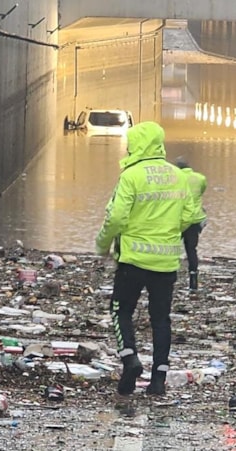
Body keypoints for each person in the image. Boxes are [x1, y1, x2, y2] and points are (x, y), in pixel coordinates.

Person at [95, 122, 199, 396]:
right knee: (161, 319)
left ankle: (130, 359)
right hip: (166, 263)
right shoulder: (178, 176)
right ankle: (158, 380)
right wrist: (168, 232)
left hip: (133, 260)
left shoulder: (131, 175)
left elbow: (116, 217)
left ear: (137, 145)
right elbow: (190, 215)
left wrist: (103, 244)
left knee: (121, 311)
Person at [174, 156, 207, 290]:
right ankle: (193, 280)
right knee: (191, 249)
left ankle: (169, 276)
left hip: (177, 219)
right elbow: (201, 192)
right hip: (194, 219)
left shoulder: (174, 178)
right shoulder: (200, 178)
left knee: (171, 249)